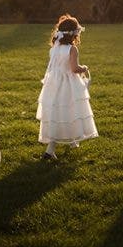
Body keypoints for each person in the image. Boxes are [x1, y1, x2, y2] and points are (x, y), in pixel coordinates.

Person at [37, 14, 98, 160]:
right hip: (68, 84)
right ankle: (50, 149)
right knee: (69, 111)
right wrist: (83, 68)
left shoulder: (54, 49)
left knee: (60, 111)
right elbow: (74, 68)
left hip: (54, 84)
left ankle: (73, 141)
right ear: (74, 34)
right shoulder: (72, 49)